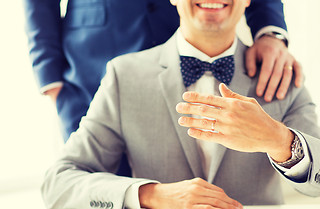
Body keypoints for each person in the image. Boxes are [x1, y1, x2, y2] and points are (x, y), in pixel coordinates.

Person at [41, 0, 320, 209]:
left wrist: (278, 139)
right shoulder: (124, 76)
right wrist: (151, 194)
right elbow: (58, 182)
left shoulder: (279, 73)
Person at [22, 0, 302, 141]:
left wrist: (270, 32)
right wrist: (51, 79)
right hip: (89, 71)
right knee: (98, 198)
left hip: (189, 51)